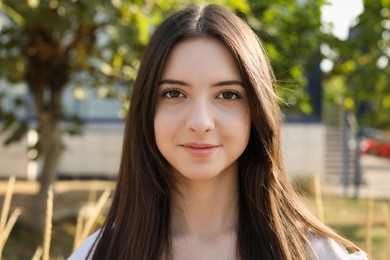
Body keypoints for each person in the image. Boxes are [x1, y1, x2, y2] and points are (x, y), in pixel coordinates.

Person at [69, 4, 367, 260]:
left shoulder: (317, 254)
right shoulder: (96, 254)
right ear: (146, 109)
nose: (200, 122)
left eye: (227, 95)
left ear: (258, 111)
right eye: (174, 93)